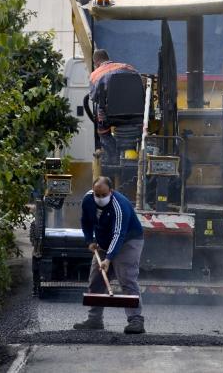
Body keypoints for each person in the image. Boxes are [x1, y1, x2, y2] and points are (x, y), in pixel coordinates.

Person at [73, 176, 145, 334]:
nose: (99, 198)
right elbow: (85, 221)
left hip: (128, 242)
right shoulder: (87, 200)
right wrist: (89, 240)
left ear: (111, 192)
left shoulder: (120, 206)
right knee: (96, 279)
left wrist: (109, 258)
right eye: (96, 195)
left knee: (127, 278)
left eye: (103, 195)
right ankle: (95, 320)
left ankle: (136, 320)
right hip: (103, 243)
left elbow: (119, 234)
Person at [89, 49, 139, 163]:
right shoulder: (128, 68)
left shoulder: (95, 75)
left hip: (110, 116)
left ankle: (112, 155)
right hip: (135, 113)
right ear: (108, 58)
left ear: (96, 63)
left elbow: (93, 97)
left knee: (101, 127)